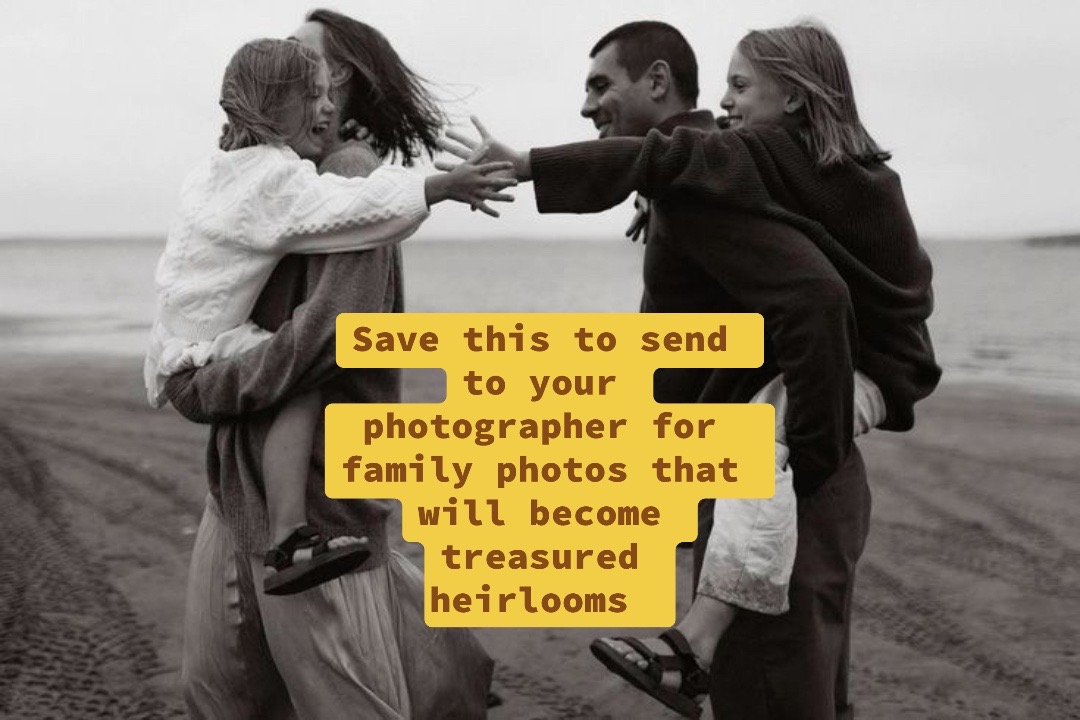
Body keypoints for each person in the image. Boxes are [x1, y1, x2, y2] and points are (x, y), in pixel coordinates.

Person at [442, 21, 940, 719]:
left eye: (600, 85)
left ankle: (691, 646)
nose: (586, 106)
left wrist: (809, 456)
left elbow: (814, 299)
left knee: (768, 697)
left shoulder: (713, 177)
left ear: (656, 81)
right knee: (806, 692)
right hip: (800, 463)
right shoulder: (767, 169)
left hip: (784, 475)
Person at [166, 13, 497, 719]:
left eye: (301, 54)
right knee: (223, 697)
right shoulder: (283, 179)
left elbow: (334, 337)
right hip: (240, 490)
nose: (285, 62)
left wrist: (205, 386)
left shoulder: (348, 177)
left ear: (334, 76)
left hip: (315, 506)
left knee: (339, 704)